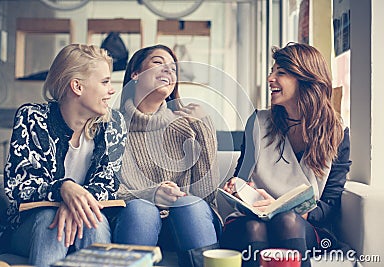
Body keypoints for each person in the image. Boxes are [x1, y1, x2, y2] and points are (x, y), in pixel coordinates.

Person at [0, 44, 127, 267]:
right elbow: (19, 184)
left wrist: (74, 201)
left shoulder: (113, 124)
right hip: (28, 227)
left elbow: (107, 183)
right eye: (105, 82)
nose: (111, 90)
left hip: (87, 221)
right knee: (49, 219)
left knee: (93, 220)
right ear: (77, 86)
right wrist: (63, 189)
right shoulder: (32, 118)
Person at [219, 43, 351, 267]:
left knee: (287, 220)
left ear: (305, 78)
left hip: (302, 224)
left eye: (281, 72)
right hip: (252, 220)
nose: (271, 78)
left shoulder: (336, 131)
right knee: (254, 228)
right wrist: (238, 189)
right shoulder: (259, 122)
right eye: (272, 71)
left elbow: (330, 202)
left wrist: (286, 209)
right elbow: (242, 178)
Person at [110, 44, 221, 267]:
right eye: (158, 63)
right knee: (141, 209)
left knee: (189, 205)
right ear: (136, 75)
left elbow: (206, 195)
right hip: (134, 222)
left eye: (173, 69)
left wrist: (204, 127)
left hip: (186, 222)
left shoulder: (185, 127)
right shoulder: (111, 128)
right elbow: (106, 190)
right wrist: (151, 194)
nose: (168, 71)